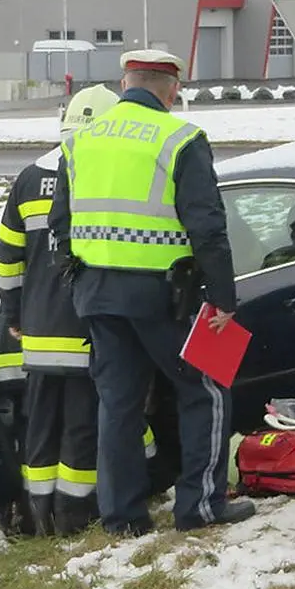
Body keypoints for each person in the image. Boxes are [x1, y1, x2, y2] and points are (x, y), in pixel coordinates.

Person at [47, 49, 255, 535]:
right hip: (165, 298)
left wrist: (75, 277)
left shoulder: (81, 141)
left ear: (125, 84)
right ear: (172, 89)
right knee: (206, 390)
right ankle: (200, 507)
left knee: (118, 404)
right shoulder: (180, 138)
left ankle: (122, 517)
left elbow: (60, 225)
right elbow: (208, 226)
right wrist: (223, 297)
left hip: (97, 294)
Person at [0, 84, 122, 536]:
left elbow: (8, 260)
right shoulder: (105, 172)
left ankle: (38, 515)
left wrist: (13, 315)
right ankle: (74, 518)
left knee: (41, 428)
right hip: (88, 328)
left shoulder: (29, 179)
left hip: (40, 334)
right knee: (82, 428)